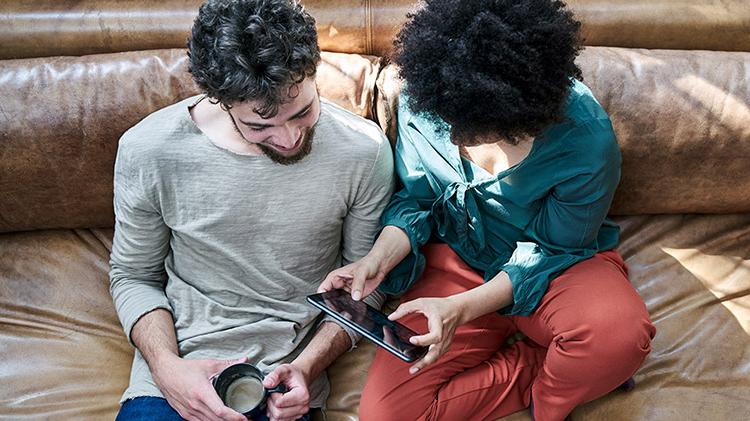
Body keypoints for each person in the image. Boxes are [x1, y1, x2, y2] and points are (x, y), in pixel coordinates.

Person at [318, 0, 656, 420]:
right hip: (456, 263)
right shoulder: (427, 96)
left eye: (475, 130)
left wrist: (461, 310)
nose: (456, 138)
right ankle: (549, 364)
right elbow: (417, 200)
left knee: (617, 338)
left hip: (556, 267)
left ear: (523, 108)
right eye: (448, 123)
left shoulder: (585, 140)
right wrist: (376, 260)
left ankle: (559, 382)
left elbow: (554, 248)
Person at [108, 1, 393, 420]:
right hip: (175, 382)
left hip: (284, 388)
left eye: (303, 112)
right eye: (260, 126)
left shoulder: (363, 152)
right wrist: (168, 371)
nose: (290, 137)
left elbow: (366, 286)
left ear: (314, 73)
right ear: (220, 101)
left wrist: (307, 368)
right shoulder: (148, 150)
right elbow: (133, 276)